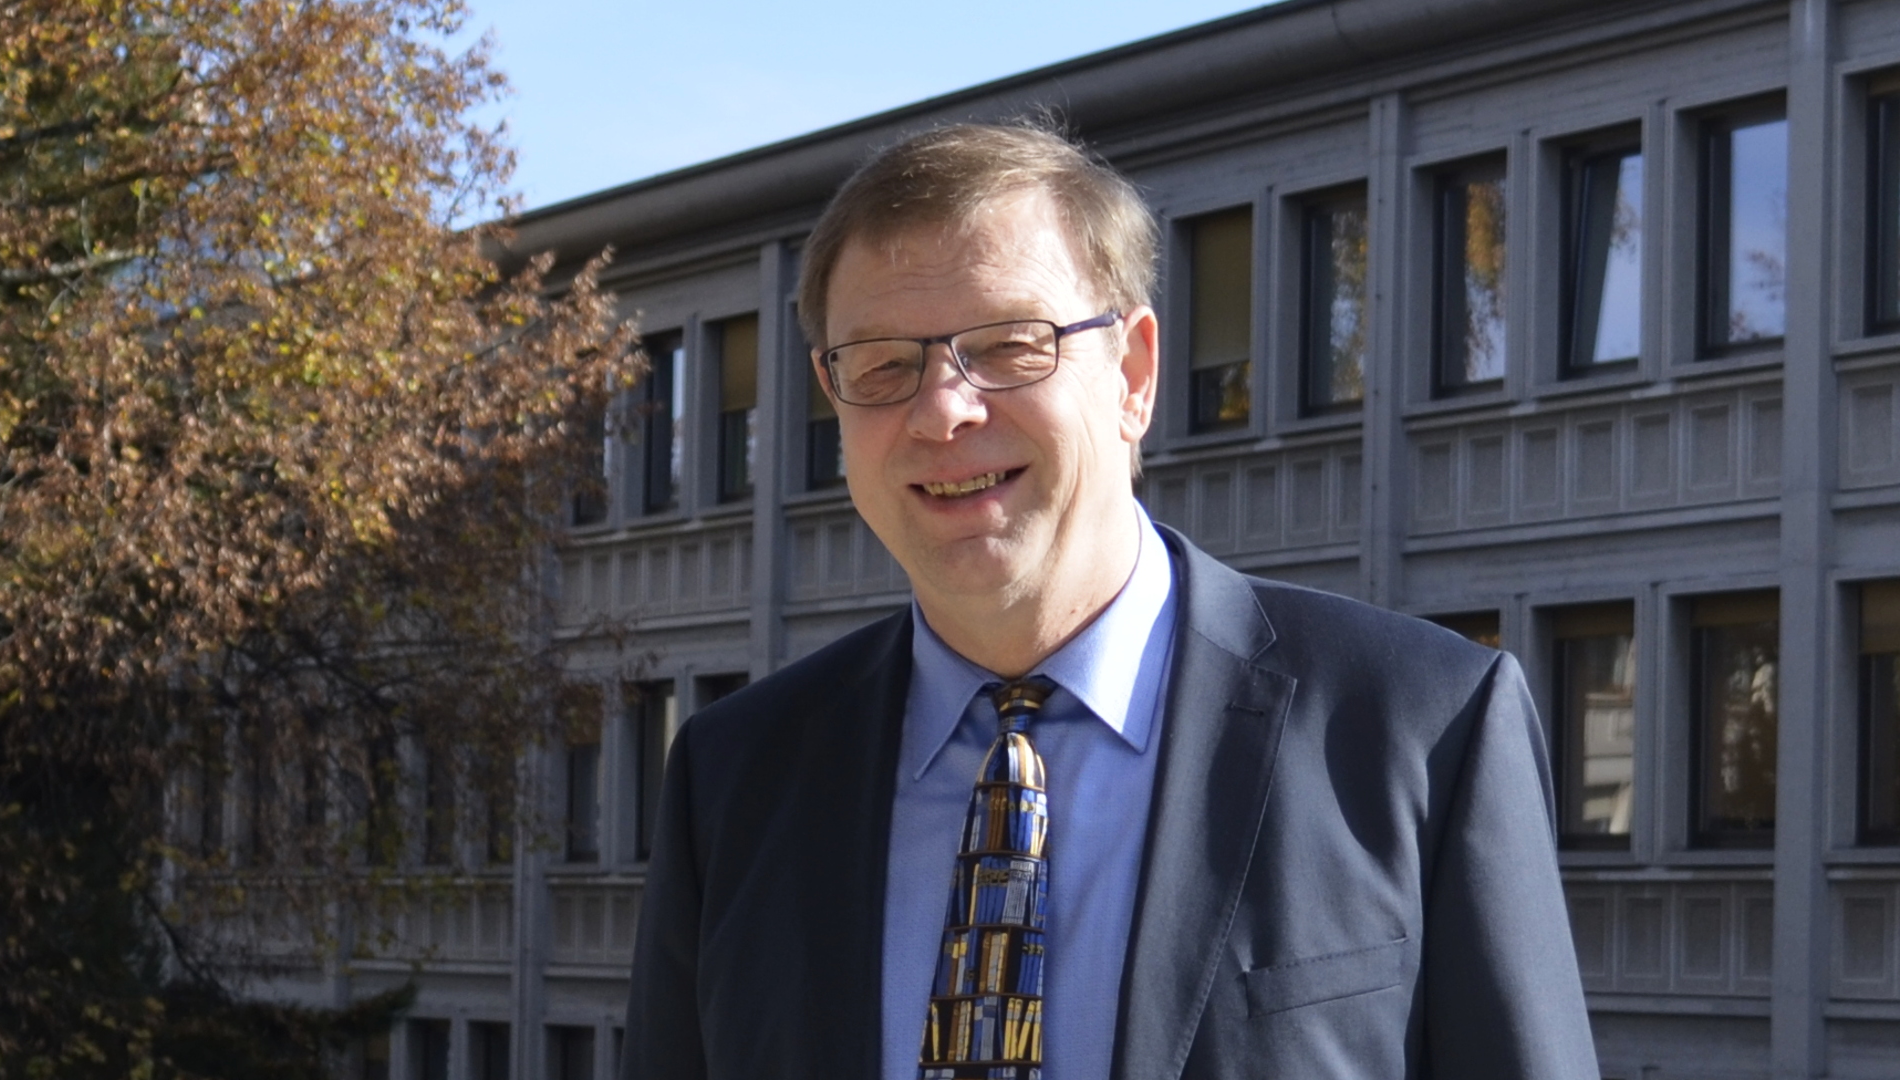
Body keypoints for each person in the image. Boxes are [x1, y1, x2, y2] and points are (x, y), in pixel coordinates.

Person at [620, 122, 1598, 1079]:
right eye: (882, 366)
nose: (942, 409)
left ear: (1133, 374)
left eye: (1008, 346)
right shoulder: (735, 778)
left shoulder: (1422, 728)